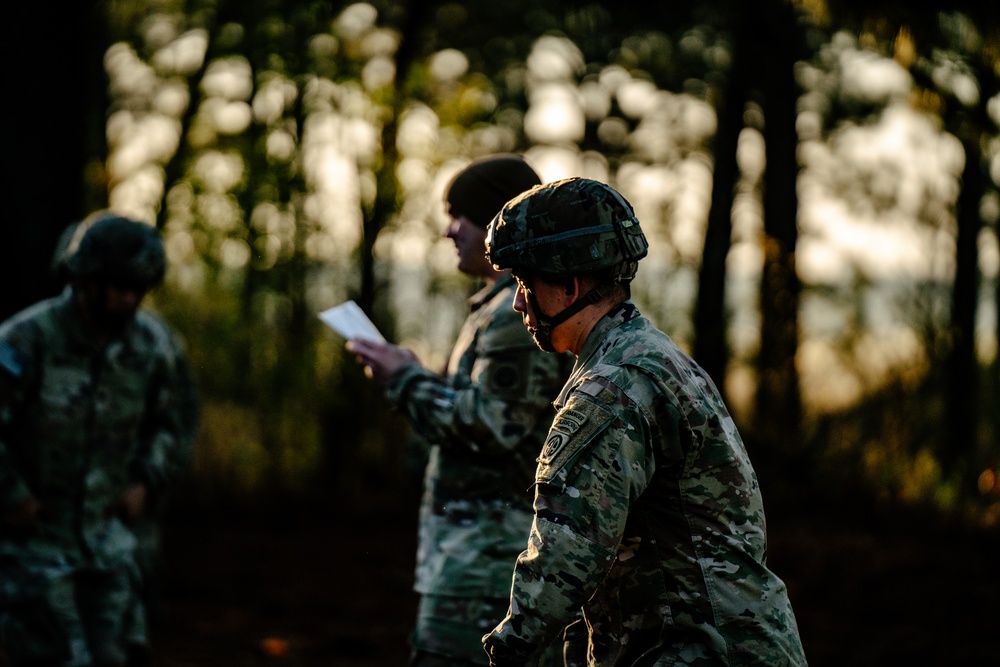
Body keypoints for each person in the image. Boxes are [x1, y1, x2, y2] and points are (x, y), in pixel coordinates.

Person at [480, 177, 808, 666]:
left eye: (526, 284)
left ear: (570, 285)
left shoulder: (610, 390)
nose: (518, 303)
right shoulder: (647, 354)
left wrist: (511, 645)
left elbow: (567, 552)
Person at [346, 155, 575, 666]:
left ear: (497, 223)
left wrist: (403, 381)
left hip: (488, 562)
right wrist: (413, 373)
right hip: (475, 555)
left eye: (461, 216)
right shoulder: (501, 308)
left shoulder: (514, 318)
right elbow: (487, 408)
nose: (450, 230)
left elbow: (491, 427)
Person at [0, 212, 199, 666]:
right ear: (84, 280)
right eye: (118, 287)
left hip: (111, 546)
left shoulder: (154, 345)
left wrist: (147, 481)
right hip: (35, 549)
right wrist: (11, 496)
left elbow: (174, 421)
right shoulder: (25, 341)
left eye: (138, 290)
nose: (129, 300)